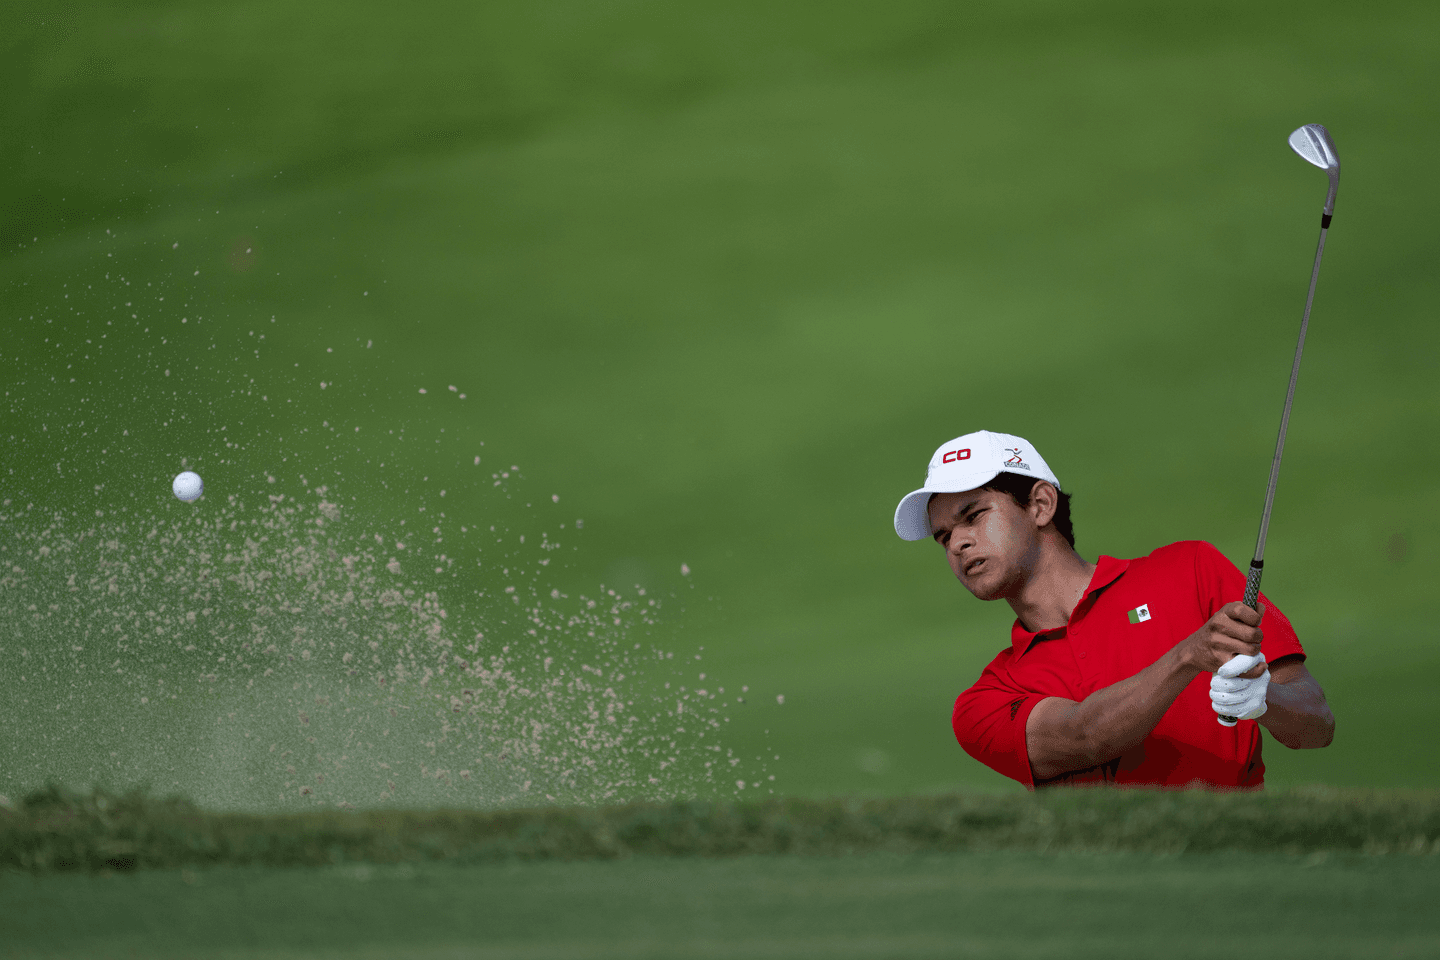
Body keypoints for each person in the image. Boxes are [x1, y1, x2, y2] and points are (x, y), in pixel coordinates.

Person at [893, 430, 1334, 789]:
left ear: (1040, 505)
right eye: (943, 536)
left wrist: (1263, 700)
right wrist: (1186, 657)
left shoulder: (1193, 570)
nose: (957, 543)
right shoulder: (985, 701)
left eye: (973, 516)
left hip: (1235, 873)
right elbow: (1084, 737)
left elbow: (1317, 726)